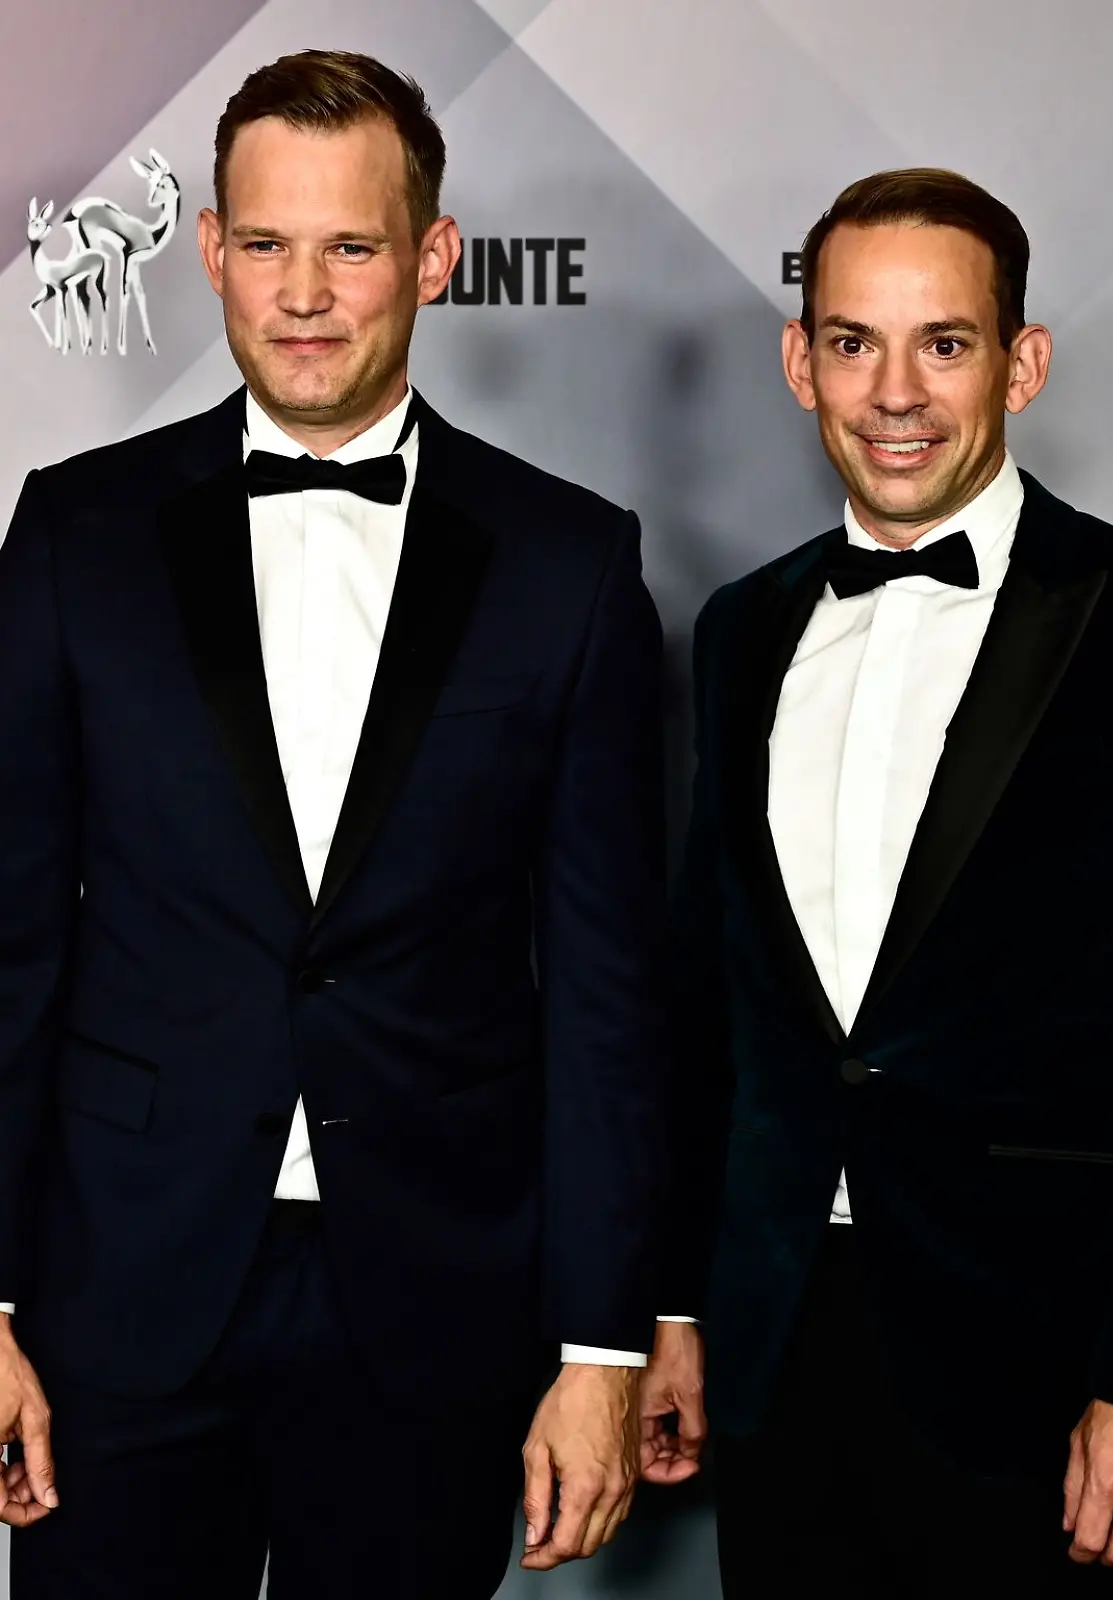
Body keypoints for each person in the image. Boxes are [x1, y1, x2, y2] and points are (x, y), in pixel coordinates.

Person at [0, 49, 674, 1600]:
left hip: (434, 1295)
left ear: (432, 257)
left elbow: (606, 989)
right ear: (211, 251)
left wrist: (597, 1343)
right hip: (124, 1290)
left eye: (353, 247)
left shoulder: (568, 566)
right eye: (269, 244)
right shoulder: (72, 535)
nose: (305, 294)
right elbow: (10, 942)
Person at [642, 168, 1113, 1597]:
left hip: (1044, 1366)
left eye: (943, 344)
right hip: (778, 1343)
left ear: (1022, 362)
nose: (894, 391)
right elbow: (714, 996)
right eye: (852, 341)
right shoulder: (741, 629)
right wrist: (675, 1305)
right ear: (799, 360)